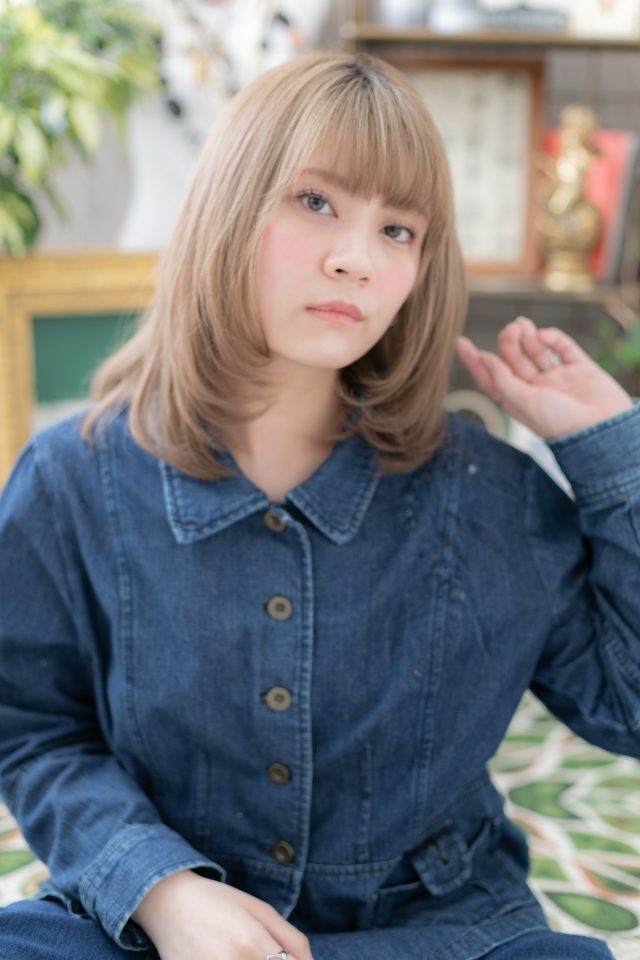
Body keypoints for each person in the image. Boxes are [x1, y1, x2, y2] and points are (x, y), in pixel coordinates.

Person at [0, 50, 637, 960]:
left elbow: (628, 706)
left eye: (398, 230)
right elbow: (32, 731)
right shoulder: (73, 478)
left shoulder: (493, 496)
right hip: (159, 933)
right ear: (228, 206)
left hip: (438, 934)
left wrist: (613, 453)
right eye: (316, 202)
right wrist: (161, 890)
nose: (355, 260)